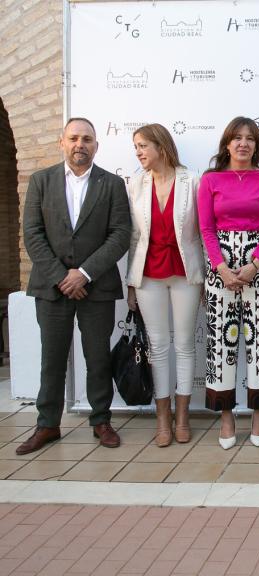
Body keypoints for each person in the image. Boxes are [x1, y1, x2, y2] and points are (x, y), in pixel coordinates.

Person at [17, 117, 130, 455]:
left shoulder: (111, 184)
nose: (80, 144)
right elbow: (32, 234)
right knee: (51, 359)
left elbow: (120, 234)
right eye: (74, 138)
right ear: (62, 142)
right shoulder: (41, 181)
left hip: (97, 288)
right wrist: (63, 277)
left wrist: (84, 273)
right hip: (51, 289)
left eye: (87, 139)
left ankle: (101, 421)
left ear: (96, 145)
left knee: (97, 358)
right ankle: (47, 425)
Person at [197, 116, 259, 450]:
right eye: (238, 138)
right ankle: (226, 415)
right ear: (227, 143)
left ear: (257, 145)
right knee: (221, 343)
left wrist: (254, 265)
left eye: (250, 138)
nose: (244, 143)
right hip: (221, 272)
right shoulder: (211, 180)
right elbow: (205, 228)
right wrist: (222, 268)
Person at [125, 123, 205, 447]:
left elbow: (202, 233)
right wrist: (131, 283)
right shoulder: (136, 183)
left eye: (143, 145)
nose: (139, 153)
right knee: (157, 348)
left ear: (161, 145)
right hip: (147, 274)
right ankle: (162, 417)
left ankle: (183, 416)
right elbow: (134, 235)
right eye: (136, 148)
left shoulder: (192, 180)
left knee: (184, 344)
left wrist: (205, 277)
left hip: (185, 272)